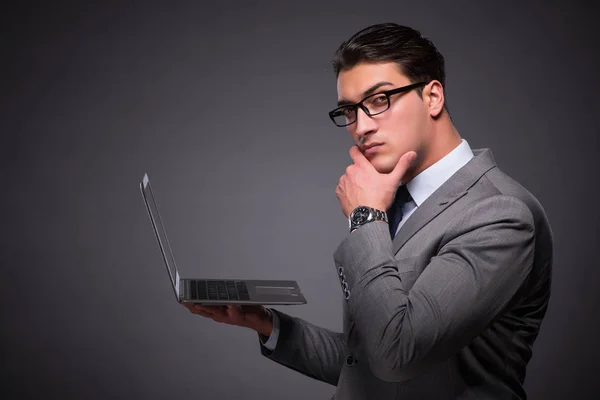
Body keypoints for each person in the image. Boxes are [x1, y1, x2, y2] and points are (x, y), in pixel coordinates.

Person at [183, 23, 553, 400]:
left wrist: (364, 216)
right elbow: (366, 362)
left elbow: (397, 355)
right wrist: (266, 323)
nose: (361, 126)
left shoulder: (500, 214)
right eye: (349, 110)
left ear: (433, 97)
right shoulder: (391, 200)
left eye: (379, 100)